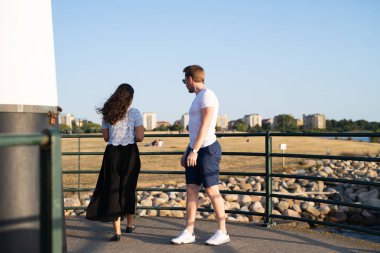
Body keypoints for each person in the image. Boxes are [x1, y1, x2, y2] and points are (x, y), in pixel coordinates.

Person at [171, 65, 230, 246]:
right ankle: (189, 232)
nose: (184, 85)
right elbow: (195, 130)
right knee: (191, 190)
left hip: (207, 150)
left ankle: (223, 231)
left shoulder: (207, 96)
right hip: (195, 149)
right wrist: (187, 151)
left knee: (212, 190)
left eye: (184, 81)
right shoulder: (198, 98)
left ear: (190, 79)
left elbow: (205, 126)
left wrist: (195, 151)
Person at [86, 83, 144, 242]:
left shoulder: (107, 114)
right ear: (129, 98)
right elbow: (140, 137)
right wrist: (129, 133)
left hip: (112, 154)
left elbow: (105, 138)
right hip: (130, 153)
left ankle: (117, 231)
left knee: (113, 189)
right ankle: (130, 224)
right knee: (129, 187)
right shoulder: (135, 113)